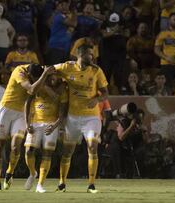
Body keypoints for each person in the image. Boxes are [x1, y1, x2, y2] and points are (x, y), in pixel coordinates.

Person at [0, 64, 55, 193]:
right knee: (0, 145)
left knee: (16, 146)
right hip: (5, 110)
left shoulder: (38, 69)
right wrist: (44, 75)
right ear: (30, 75)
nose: (36, 80)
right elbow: (31, 90)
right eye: (34, 78)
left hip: (21, 113)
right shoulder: (19, 71)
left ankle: (10, 172)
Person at [54, 44, 109, 193]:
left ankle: (91, 184)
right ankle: (62, 183)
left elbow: (105, 93)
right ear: (80, 55)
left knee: (92, 146)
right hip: (73, 117)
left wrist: (97, 100)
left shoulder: (96, 70)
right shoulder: (67, 67)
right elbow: (50, 70)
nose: (92, 57)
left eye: (92, 55)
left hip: (91, 117)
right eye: (89, 54)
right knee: (67, 151)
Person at [23, 74, 68, 193]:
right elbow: (27, 104)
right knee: (29, 151)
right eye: (51, 77)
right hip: (35, 123)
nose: (54, 79)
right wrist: (27, 123)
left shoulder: (62, 91)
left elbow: (63, 113)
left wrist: (55, 125)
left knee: (47, 154)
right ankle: (33, 173)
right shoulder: (38, 87)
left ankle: (40, 185)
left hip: (51, 125)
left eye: (56, 77)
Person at [109, 109, 147, 178]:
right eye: (138, 118)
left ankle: (137, 174)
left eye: (141, 119)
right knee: (117, 149)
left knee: (141, 151)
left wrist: (143, 132)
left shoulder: (140, 126)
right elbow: (121, 137)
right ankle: (119, 174)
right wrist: (131, 126)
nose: (140, 120)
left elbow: (145, 140)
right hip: (119, 145)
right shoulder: (124, 123)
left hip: (130, 146)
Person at [46, 0, 77, 65]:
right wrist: (74, 12)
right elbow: (73, 23)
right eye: (63, 4)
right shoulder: (58, 16)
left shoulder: (63, 16)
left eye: (67, 4)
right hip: (56, 48)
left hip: (64, 48)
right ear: (59, 5)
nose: (65, 7)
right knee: (54, 70)